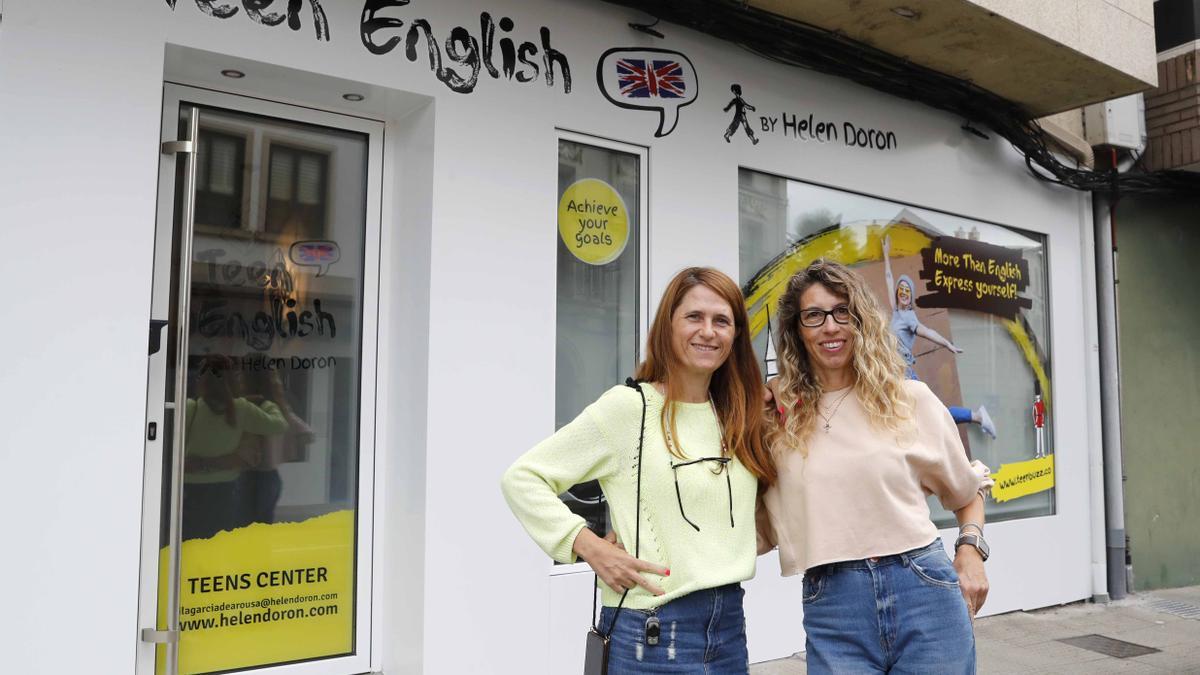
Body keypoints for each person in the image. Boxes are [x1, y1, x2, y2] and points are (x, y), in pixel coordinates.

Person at [502, 267, 774, 673]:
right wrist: (589, 546)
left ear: (735, 336)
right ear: (668, 326)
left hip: (728, 627)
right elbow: (523, 477)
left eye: (722, 321)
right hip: (651, 631)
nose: (708, 331)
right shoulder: (631, 409)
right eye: (694, 317)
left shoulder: (736, 414)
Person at [759, 259, 990, 674]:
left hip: (923, 589)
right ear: (797, 330)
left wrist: (971, 553)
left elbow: (966, 494)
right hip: (833, 605)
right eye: (814, 315)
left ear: (861, 320)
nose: (830, 326)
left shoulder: (909, 400)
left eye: (842, 311)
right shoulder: (779, 417)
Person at [883, 235, 996, 439]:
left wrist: (947, 344)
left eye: (907, 290)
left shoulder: (908, 317)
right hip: (893, 372)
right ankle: (976, 416)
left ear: (910, 297)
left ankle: (977, 416)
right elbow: (889, 279)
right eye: (901, 289)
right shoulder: (896, 312)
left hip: (903, 373)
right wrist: (886, 254)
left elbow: (928, 332)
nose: (903, 292)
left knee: (934, 414)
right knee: (917, 416)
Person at [182, 354, 289, 540]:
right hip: (226, 491)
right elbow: (279, 425)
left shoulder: (190, 408)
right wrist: (265, 402)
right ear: (233, 379)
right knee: (221, 545)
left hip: (190, 490)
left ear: (202, 380)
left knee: (191, 542)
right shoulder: (242, 408)